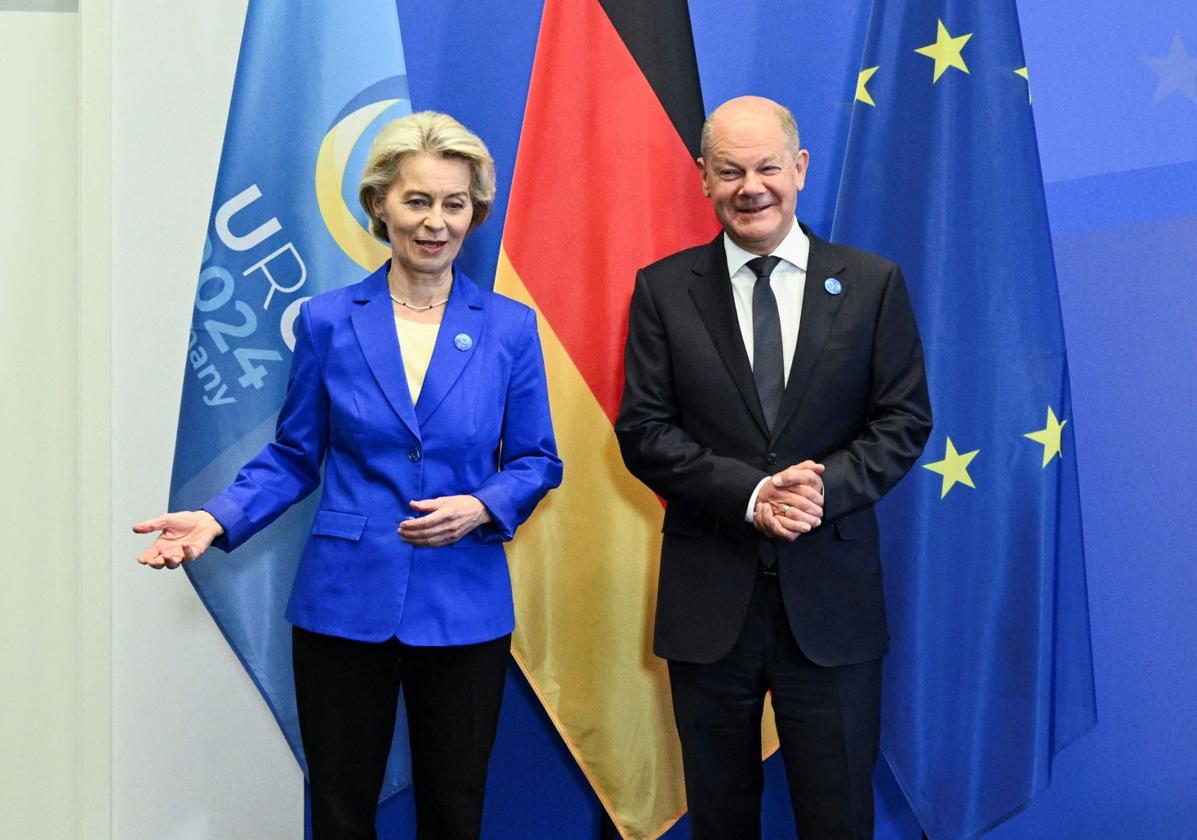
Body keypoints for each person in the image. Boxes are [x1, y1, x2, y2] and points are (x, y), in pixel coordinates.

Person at [134, 111, 562, 839]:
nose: (435, 222)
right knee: (339, 808)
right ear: (379, 205)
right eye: (417, 201)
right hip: (343, 599)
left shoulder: (509, 328)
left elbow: (536, 460)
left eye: (453, 204)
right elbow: (296, 455)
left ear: (475, 213)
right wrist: (216, 516)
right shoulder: (329, 320)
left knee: (455, 810)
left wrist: (482, 506)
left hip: (463, 601)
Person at [615, 95, 932, 839]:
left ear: (800, 169)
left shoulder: (869, 282)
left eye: (765, 167)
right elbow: (643, 430)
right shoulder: (664, 290)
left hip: (830, 606)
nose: (749, 187)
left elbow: (903, 420)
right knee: (720, 821)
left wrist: (817, 491)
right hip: (709, 608)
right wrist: (751, 494)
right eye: (729, 171)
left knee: (837, 818)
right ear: (702, 178)